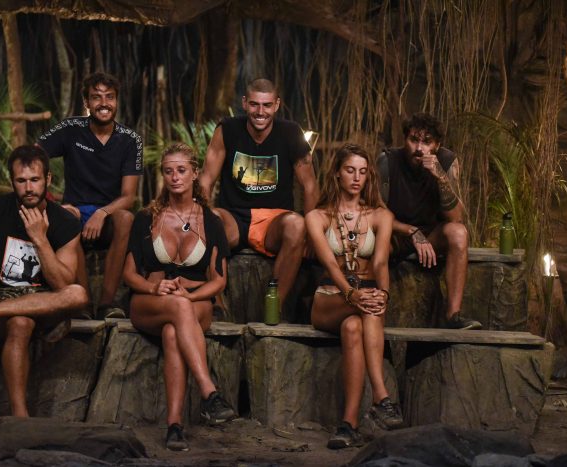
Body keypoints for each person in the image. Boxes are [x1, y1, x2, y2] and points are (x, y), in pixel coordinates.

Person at [0, 145, 89, 417]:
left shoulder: (65, 222)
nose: (29, 188)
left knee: (78, 294)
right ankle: (20, 417)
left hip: (43, 302)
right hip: (1, 296)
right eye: (21, 180)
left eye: (35, 179)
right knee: (20, 323)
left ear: (48, 179)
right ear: (11, 181)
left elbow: (63, 285)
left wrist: (40, 239)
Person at [124, 143, 236, 451]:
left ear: (195, 173)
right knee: (176, 310)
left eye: (182, 170)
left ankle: (174, 426)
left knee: (174, 329)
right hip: (151, 300)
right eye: (168, 171)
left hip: (196, 301)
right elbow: (129, 274)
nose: (175, 177)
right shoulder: (146, 217)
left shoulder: (211, 221)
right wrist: (153, 288)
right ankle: (209, 393)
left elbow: (219, 281)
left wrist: (190, 293)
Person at [306, 143, 403, 449]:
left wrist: (383, 293)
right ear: (337, 173)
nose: (357, 177)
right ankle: (381, 396)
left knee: (353, 326)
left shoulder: (381, 216)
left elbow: (380, 263)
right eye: (350, 170)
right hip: (330, 298)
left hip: (366, 297)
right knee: (364, 308)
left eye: (362, 171)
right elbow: (329, 263)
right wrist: (351, 294)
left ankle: (349, 425)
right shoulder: (317, 216)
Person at [199, 78, 319, 313]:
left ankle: (274, 307)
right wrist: (199, 214)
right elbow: (206, 179)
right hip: (233, 218)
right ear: (245, 103)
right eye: (254, 104)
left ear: (277, 105)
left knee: (297, 224)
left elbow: (310, 186)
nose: (260, 112)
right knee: (208, 218)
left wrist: (313, 236)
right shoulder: (227, 129)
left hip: (273, 222)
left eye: (266, 105)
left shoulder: (291, 132)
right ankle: (216, 306)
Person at [38, 71, 142, 319]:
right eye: (96, 97)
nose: (104, 103)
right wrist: (47, 201)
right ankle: (82, 303)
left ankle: (107, 304)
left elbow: (129, 196)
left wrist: (102, 213)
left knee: (126, 218)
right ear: (86, 102)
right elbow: (33, 157)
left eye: (110, 97)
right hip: (74, 215)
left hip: (108, 218)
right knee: (68, 215)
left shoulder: (130, 140)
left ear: (117, 101)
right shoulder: (70, 128)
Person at [378, 113, 481, 330]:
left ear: (437, 145)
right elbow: (376, 214)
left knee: (458, 233)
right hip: (395, 233)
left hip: (432, 234)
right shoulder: (387, 161)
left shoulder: (447, 161)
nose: (419, 148)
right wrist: (411, 231)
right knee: (374, 244)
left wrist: (440, 177)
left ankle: (453, 316)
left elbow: (456, 218)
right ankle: (375, 313)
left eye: (427, 142)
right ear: (404, 139)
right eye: (413, 140)